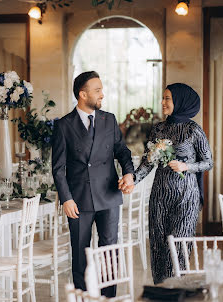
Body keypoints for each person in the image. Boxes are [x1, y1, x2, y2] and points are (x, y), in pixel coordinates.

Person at [52, 71, 135, 297]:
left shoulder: (109, 119)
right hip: (78, 199)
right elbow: (58, 168)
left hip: (108, 195)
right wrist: (66, 198)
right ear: (82, 94)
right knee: (80, 253)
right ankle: (83, 298)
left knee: (109, 252)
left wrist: (129, 173)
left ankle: (109, 298)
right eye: (97, 90)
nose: (102, 94)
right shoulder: (64, 125)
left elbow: (123, 151)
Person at [131, 83, 213, 284]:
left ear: (180, 101)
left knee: (178, 248)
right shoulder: (158, 128)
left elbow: (208, 162)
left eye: (167, 98)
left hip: (186, 198)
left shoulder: (193, 130)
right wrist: (132, 180)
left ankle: (176, 290)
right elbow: (148, 162)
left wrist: (186, 167)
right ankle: (160, 290)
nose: (163, 102)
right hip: (159, 195)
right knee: (158, 245)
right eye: (163, 98)